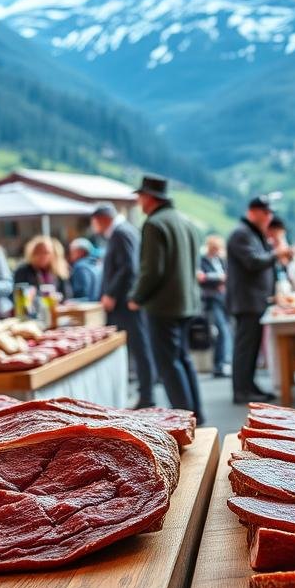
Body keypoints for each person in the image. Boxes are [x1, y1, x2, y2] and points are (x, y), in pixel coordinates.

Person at [128, 175, 204, 420]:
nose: (139, 201)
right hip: (188, 302)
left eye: (141, 196)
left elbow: (152, 270)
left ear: (150, 197)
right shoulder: (184, 220)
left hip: (164, 305)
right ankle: (197, 414)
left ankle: (184, 419)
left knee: (169, 364)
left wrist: (137, 297)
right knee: (183, 359)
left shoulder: (154, 224)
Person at [91, 203, 157, 409]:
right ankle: (145, 393)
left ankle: (147, 395)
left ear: (102, 219)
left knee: (140, 347)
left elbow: (129, 267)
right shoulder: (124, 231)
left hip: (126, 302)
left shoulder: (121, 233)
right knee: (138, 347)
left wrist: (111, 293)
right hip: (126, 300)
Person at [227, 196, 292, 403]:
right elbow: (253, 262)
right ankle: (241, 390)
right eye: (265, 213)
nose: (269, 217)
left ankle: (249, 385)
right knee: (245, 348)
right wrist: (277, 253)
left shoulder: (251, 233)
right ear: (253, 212)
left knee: (252, 348)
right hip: (247, 300)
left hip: (254, 300)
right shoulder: (241, 234)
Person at [198, 235, 231, 379]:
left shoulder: (220, 261)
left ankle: (223, 363)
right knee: (221, 331)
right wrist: (218, 278)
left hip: (223, 299)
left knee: (226, 331)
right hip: (211, 301)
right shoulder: (202, 260)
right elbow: (201, 278)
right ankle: (220, 364)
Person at [267, 216, 295, 292]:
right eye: (279, 232)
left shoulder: (281, 241)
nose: (280, 235)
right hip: (274, 283)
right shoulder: (267, 244)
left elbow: (285, 262)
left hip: (284, 280)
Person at [67, 237, 101, 302]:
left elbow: (81, 293)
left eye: (72, 252)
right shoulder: (98, 265)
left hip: (85, 305)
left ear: (80, 252)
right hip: (98, 305)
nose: (70, 255)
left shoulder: (79, 266)